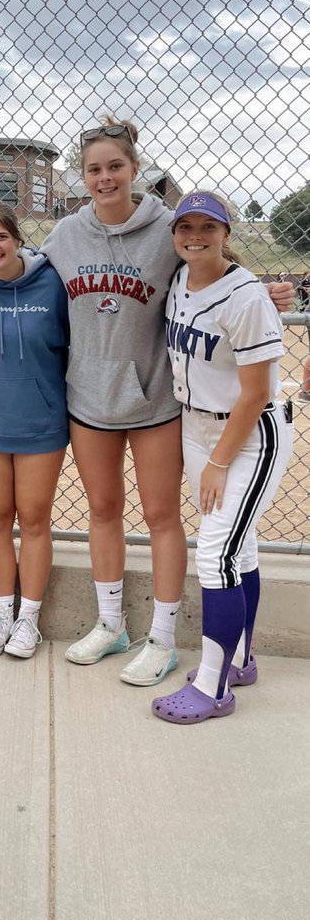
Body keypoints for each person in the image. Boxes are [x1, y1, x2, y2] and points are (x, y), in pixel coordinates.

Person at [41, 116, 295, 686]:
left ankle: (161, 638)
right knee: (102, 514)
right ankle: (111, 625)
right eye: (94, 170)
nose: (105, 178)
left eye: (115, 167)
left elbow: (212, 261)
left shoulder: (166, 229)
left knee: (160, 517)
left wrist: (266, 288)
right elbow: (25, 276)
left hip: (156, 400)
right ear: (81, 177)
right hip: (88, 398)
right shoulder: (66, 234)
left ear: (135, 170)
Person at [152, 192, 292, 723]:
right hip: (197, 426)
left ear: (226, 234)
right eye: (184, 225)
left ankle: (213, 687)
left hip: (250, 436)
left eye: (207, 226)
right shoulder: (179, 281)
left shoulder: (248, 297)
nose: (194, 234)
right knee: (241, 549)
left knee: (215, 556)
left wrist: (216, 463)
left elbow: (255, 395)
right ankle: (239, 659)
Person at [0, 204, 69, 660]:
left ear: (18, 238)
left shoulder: (53, 282)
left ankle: (29, 620)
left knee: (35, 520)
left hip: (41, 421)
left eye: (1, 236)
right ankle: (2, 614)